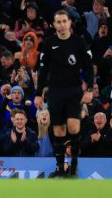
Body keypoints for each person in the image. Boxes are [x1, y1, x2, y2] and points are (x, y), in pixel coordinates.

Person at [34, 10, 94, 178]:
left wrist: (89, 89)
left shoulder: (79, 42)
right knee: (59, 131)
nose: (61, 25)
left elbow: (89, 68)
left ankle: (74, 167)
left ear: (69, 23)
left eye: (64, 21)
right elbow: (43, 69)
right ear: (54, 25)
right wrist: (39, 93)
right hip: (55, 91)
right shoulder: (48, 43)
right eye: (58, 22)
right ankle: (60, 168)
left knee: (74, 128)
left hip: (74, 90)